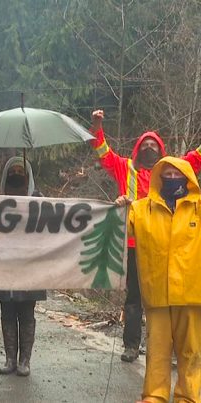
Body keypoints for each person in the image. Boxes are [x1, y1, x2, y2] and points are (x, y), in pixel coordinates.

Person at [90, 109, 201, 362]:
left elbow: (196, 159)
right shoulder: (124, 167)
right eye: (145, 144)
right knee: (134, 297)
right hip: (132, 244)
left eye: (154, 144)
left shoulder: (171, 171)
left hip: (164, 244)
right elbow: (103, 153)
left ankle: (171, 350)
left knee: (170, 296)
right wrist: (96, 126)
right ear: (138, 149)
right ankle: (131, 346)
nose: (149, 147)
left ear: (161, 151)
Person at [116, 157, 201, 403]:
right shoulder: (142, 209)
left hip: (192, 294)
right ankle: (155, 395)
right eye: (168, 174)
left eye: (177, 174)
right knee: (157, 351)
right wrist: (122, 208)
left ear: (187, 178)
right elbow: (121, 228)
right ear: (158, 177)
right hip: (157, 294)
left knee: (191, 352)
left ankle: (189, 397)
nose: (172, 178)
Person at [0, 157, 45, 377]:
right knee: (7, 311)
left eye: (21, 171)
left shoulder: (38, 200)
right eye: (13, 171)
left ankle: (25, 361)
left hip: (30, 265)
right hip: (3, 264)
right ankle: (10, 358)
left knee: (27, 313)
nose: (17, 174)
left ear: (29, 176)